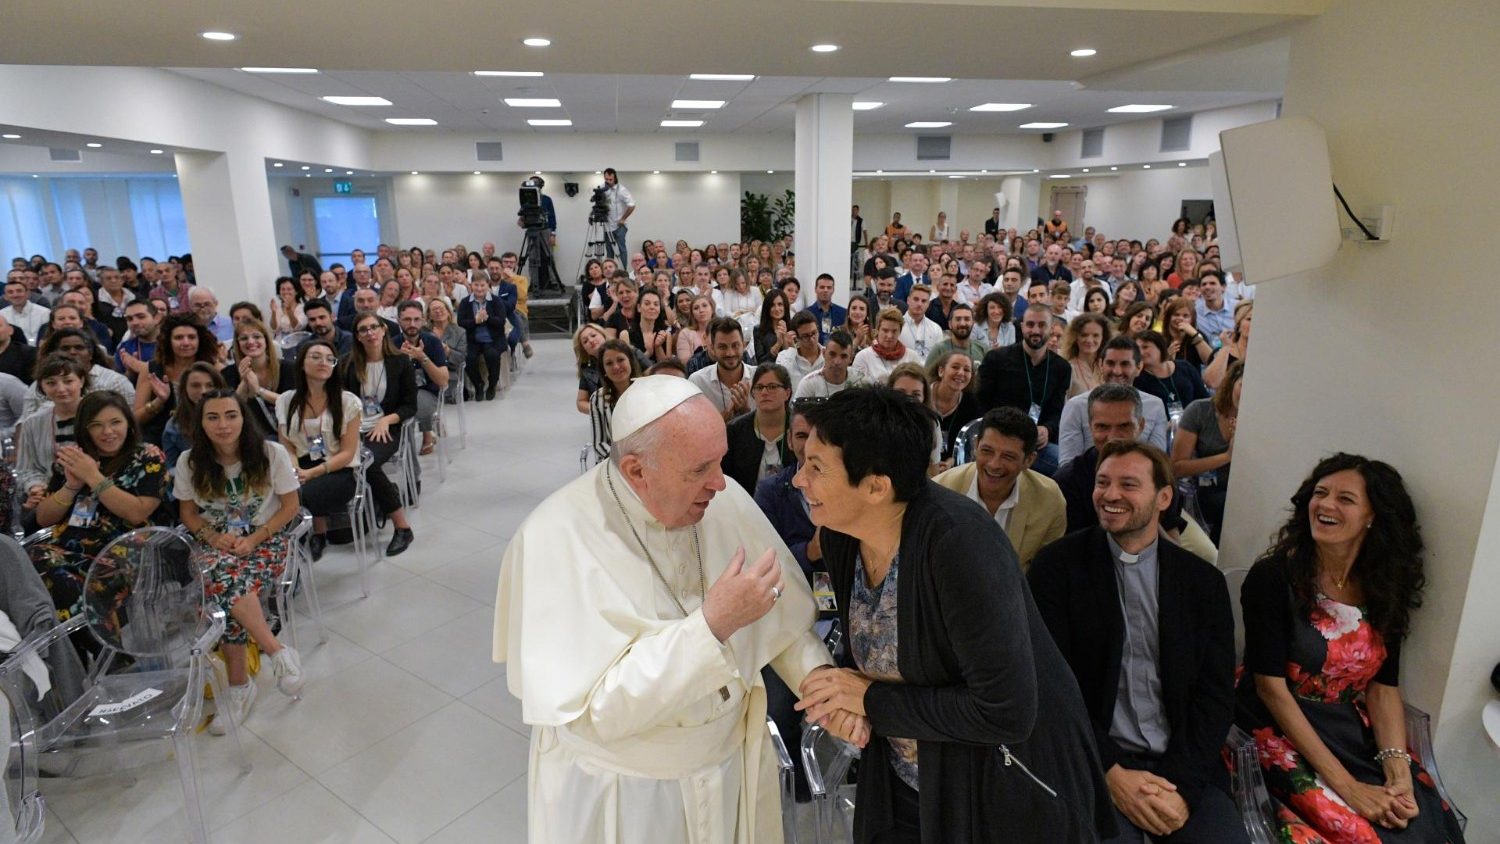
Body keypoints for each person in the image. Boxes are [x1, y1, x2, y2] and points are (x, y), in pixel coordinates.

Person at [492, 375, 833, 844]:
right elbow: (599, 709)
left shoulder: (723, 500)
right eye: (700, 469)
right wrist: (712, 626)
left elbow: (779, 616)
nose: (720, 482)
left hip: (725, 765)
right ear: (636, 471)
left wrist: (820, 684)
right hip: (627, 793)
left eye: (720, 461)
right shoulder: (554, 537)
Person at [791, 387, 1113, 842]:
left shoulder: (959, 545)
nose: (798, 480)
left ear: (877, 487)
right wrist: (850, 702)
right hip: (907, 778)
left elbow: (1005, 712)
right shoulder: (842, 535)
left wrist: (871, 703)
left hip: (999, 790)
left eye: (816, 468)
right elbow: (880, 660)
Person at [1235, 454, 1466, 843]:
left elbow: (1383, 687)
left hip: (1348, 730)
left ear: (1372, 516)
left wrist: (1398, 771)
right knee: (1360, 833)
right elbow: (1270, 689)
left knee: (1423, 823)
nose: (1325, 505)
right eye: (1321, 493)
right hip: (1276, 726)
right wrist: (1348, 787)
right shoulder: (1274, 577)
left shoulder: (1382, 586)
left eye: (1345, 499)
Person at [1028, 441, 1245, 844]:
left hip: (1182, 765)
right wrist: (1110, 772)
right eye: (1102, 483)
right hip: (1091, 761)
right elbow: (1051, 687)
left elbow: (1215, 696)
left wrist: (1181, 788)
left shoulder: (1202, 583)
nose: (1110, 495)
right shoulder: (1056, 568)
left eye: (1128, 484)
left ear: (1164, 498)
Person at [177, 390, 305, 732]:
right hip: (216, 544)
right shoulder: (190, 462)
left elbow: (290, 506)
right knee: (223, 575)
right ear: (201, 423)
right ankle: (275, 650)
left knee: (222, 586)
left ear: (243, 418)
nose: (223, 425)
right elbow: (188, 514)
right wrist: (212, 537)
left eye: (231, 415)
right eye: (213, 417)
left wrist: (255, 538)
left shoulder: (271, 453)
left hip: (265, 539)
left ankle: (239, 687)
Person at [28, 392, 167, 626]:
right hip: (68, 548)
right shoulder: (74, 457)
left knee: (61, 578)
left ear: (128, 423)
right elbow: (43, 518)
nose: (107, 432)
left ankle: (91, 642)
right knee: (30, 563)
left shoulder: (148, 456)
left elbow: (137, 513)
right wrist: (71, 486)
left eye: (115, 422)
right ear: (85, 429)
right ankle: (82, 641)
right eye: (96, 425)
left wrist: (92, 476)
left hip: (125, 550)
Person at [1052, 385, 1217, 564]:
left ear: (1141, 426)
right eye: (1102, 427)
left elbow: (1171, 541)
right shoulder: (1068, 481)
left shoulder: (1159, 473)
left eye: (1124, 426)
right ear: (1091, 428)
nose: (1113, 436)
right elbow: (1070, 554)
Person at [933, 407, 1066, 569]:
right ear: (976, 446)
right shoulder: (940, 492)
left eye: (1008, 456)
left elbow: (1046, 571)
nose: (994, 464)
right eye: (987, 451)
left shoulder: (1049, 500)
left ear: (1028, 461)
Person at [275, 339, 361, 562]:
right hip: (301, 465)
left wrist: (311, 473)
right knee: (279, 492)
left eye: (330, 359)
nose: (323, 362)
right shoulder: (286, 400)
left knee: (292, 497)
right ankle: (298, 544)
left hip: (338, 470)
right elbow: (286, 445)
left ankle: (287, 553)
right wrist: (294, 469)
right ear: (301, 363)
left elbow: (347, 453)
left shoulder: (348, 402)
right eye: (315, 357)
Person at [342, 311, 416, 556]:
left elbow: (410, 405)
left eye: (374, 327)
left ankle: (402, 527)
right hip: (353, 428)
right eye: (363, 329)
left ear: (384, 330)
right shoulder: (347, 364)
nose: (370, 333)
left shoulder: (400, 362)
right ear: (357, 336)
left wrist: (386, 419)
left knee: (367, 461)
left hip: (386, 429)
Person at [976, 302, 1071, 476]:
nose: (1035, 330)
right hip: (999, 438)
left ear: (1051, 328)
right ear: (1022, 326)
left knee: (1069, 468)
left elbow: (1057, 410)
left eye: (1042, 325)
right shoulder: (996, 359)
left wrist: (1047, 429)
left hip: (1036, 444)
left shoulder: (1062, 368)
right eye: (1030, 324)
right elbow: (981, 403)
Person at [1058, 336, 1170, 465]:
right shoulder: (1076, 406)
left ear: (1139, 367)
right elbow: (1068, 464)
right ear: (1101, 365)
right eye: (1110, 363)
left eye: (1125, 364)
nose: (1117, 371)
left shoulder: (1155, 405)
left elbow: (1157, 461)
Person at [1171, 362, 1242, 546]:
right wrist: (1227, 456)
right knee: (1228, 505)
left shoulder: (1260, 419)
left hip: (1242, 491)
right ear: (1232, 382)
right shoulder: (1200, 411)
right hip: (1203, 492)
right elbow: (1177, 467)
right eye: (1243, 385)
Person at [721, 363, 796, 494]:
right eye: (759, 387)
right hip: (746, 502)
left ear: (787, 393)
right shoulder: (734, 430)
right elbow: (726, 479)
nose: (764, 392)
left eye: (772, 387)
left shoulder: (800, 428)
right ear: (753, 394)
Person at [218, 317, 293, 440]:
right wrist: (244, 382)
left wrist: (259, 391)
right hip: (248, 435)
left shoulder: (288, 368)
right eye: (244, 338)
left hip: (286, 432)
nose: (251, 341)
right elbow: (229, 410)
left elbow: (293, 403)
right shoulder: (227, 373)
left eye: (257, 336)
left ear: (266, 340)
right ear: (237, 344)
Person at [394, 300, 450, 455]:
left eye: (416, 319)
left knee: (415, 405)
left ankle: (412, 452)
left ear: (423, 320)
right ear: (399, 321)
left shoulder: (432, 342)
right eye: (407, 319)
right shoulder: (392, 344)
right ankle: (405, 451)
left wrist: (422, 357)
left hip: (428, 391)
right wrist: (400, 360)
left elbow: (443, 381)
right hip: (400, 394)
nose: (412, 324)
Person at [161, 362, 227, 468]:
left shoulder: (234, 417)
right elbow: (171, 468)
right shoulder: (174, 427)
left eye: (210, 385)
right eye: (196, 385)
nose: (203, 391)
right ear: (185, 389)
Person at [689, 317, 756, 421]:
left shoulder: (758, 377)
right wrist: (719, 422)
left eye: (735, 345)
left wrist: (746, 412)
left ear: (744, 345)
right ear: (712, 349)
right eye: (722, 347)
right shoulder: (698, 381)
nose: (730, 353)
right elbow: (693, 423)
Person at [588, 339, 641, 461]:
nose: (616, 367)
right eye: (609, 363)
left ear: (630, 361)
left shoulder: (647, 392)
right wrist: (623, 462)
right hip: (613, 462)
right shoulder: (597, 399)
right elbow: (599, 444)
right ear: (604, 371)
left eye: (620, 360)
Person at [458, 273, 507, 401]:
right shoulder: (465, 302)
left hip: (493, 339)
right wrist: (475, 321)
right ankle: (478, 384)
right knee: (468, 357)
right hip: (472, 339)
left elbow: (501, 321)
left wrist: (487, 318)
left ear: (487, 285)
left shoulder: (496, 301)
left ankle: (492, 384)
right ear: (471, 285)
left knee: (492, 355)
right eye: (476, 285)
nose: (479, 288)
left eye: (482, 285)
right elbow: (461, 322)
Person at [927, 351, 980, 467]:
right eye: (955, 367)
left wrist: (952, 461)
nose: (961, 373)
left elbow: (970, 446)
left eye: (967, 370)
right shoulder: (922, 395)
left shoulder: (972, 404)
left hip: (952, 469)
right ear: (941, 371)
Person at [1203, 301, 1251, 392]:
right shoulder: (1222, 351)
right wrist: (1226, 348)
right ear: (1238, 324)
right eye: (1249, 319)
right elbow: (1211, 382)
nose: (1254, 323)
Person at [1063, 313, 1112, 400]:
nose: (1089, 340)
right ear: (1076, 338)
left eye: (1096, 335)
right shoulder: (1067, 368)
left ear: (1103, 338)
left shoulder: (1109, 367)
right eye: (1084, 335)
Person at [924, 302, 985, 368]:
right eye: (958, 319)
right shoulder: (939, 350)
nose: (962, 324)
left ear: (973, 323)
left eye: (967, 319)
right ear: (950, 324)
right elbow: (927, 374)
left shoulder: (983, 350)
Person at [1159, 298, 1211, 371]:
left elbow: (1210, 361)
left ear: (1192, 319)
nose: (1180, 318)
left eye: (1185, 316)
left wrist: (1195, 335)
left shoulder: (1198, 335)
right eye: (1176, 315)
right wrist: (1167, 357)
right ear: (1169, 317)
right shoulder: (1159, 339)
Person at [775, 312, 823, 385]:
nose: (812, 339)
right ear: (796, 337)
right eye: (805, 336)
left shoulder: (829, 355)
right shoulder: (784, 358)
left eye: (814, 333)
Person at [601, 167, 636, 261]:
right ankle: (610, 269)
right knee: (609, 251)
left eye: (610, 179)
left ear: (615, 178)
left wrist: (623, 219)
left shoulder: (622, 190)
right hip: (607, 226)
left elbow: (632, 205)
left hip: (619, 226)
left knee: (621, 249)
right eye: (606, 179)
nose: (608, 181)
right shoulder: (602, 188)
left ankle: (623, 269)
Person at [572, 324, 609, 414]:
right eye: (585, 341)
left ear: (603, 334)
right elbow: (581, 402)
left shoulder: (630, 353)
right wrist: (600, 410)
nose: (591, 341)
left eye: (593, 335)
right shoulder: (587, 370)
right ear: (584, 350)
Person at [675, 294, 715, 364]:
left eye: (704, 305)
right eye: (696, 308)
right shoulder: (685, 333)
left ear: (712, 309)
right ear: (692, 314)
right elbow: (685, 363)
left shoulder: (722, 329)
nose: (701, 310)